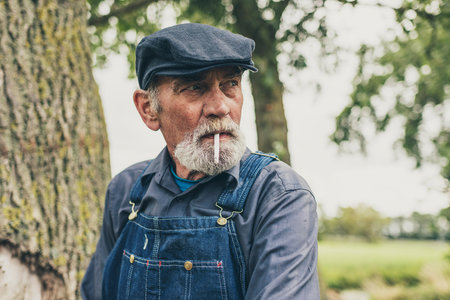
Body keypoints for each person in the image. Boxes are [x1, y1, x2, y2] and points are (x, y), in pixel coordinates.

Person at [81, 23, 319, 300]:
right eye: (195, 87)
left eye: (230, 84)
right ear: (149, 109)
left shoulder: (278, 195)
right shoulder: (126, 191)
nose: (220, 107)